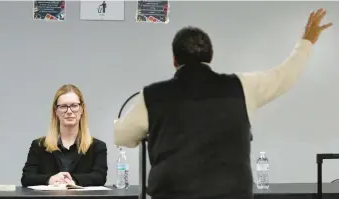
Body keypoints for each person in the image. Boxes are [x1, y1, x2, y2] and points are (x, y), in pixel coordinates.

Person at [113, 8, 332, 199]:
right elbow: (285, 75)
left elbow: (122, 137)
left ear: (174, 60)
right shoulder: (242, 86)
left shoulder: (152, 96)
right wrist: (306, 42)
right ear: (211, 56)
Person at [21, 84, 108, 187]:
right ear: (55, 111)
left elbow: (99, 177)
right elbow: (27, 177)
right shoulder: (39, 145)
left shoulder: (97, 146)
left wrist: (73, 181)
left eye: (74, 106)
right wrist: (50, 179)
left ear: (82, 109)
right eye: (63, 107)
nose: (69, 111)